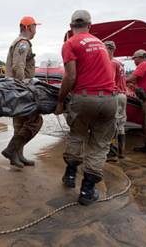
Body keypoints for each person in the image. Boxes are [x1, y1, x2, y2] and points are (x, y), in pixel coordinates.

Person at [54, 10, 117, 206]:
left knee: (77, 135)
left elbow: (70, 76)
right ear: (90, 26)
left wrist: (60, 100)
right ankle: (87, 191)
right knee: (99, 146)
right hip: (109, 99)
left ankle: (70, 176)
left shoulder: (70, 44)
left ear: (71, 26)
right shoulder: (100, 43)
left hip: (84, 98)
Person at [1, 16, 43, 168]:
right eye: (34, 27)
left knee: (20, 124)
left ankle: (17, 156)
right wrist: (24, 88)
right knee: (35, 121)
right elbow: (18, 67)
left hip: (14, 89)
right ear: (27, 28)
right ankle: (11, 150)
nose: (35, 30)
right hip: (20, 89)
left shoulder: (18, 42)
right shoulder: (23, 43)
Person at [104, 41, 128, 161]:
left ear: (109, 49)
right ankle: (121, 152)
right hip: (123, 95)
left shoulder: (111, 63)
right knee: (121, 124)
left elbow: (110, 81)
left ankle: (112, 153)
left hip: (116, 95)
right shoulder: (119, 63)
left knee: (112, 124)